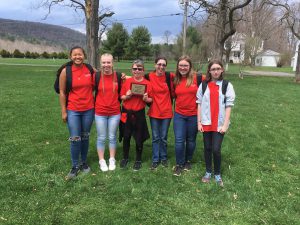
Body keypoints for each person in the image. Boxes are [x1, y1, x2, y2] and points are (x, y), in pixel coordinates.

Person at [196, 60, 235, 187]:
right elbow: (199, 104)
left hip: (219, 123)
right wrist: (199, 122)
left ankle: (217, 173)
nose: (216, 71)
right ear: (209, 71)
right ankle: (208, 171)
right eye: (213, 69)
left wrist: (225, 124)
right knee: (207, 148)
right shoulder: (203, 85)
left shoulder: (226, 85)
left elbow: (229, 106)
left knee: (216, 149)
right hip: (206, 122)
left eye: (218, 68)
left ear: (222, 70)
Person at [59, 46, 95, 179]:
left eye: (80, 55)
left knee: (85, 136)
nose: (77, 57)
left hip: (88, 110)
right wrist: (64, 111)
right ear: (70, 56)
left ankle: (84, 162)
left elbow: (104, 75)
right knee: (75, 138)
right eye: (74, 55)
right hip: (73, 110)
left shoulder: (90, 69)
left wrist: (122, 76)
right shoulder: (65, 71)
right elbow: (62, 92)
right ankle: (75, 166)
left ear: (84, 56)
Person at [119, 59, 153, 171]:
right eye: (134, 69)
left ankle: (138, 159)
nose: (137, 71)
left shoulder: (147, 84)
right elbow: (121, 97)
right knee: (126, 136)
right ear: (131, 70)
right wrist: (127, 97)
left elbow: (151, 99)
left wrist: (146, 98)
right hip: (127, 112)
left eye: (139, 69)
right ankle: (125, 157)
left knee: (139, 137)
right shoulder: (127, 82)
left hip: (139, 113)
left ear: (143, 70)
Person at [172, 56, 200, 176]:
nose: (183, 68)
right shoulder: (175, 79)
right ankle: (179, 163)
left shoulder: (198, 78)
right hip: (179, 115)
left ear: (190, 67)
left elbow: (213, 80)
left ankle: (188, 161)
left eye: (185, 66)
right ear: (178, 67)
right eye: (181, 65)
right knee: (179, 140)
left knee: (191, 140)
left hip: (194, 115)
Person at [145, 57, 175, 170]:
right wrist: (124, 76)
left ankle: (163, 158)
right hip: (154, 112)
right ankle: (155, 159)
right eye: (159, 64)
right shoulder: (149, 77)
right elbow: (136, 78)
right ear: (155, 65)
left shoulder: (169, 76)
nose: (161, 67)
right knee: (155, 137)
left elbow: (183, 76)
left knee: (163, 137)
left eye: (163, 65)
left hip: (166, 112)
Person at [95, 53, 122, 172]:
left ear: (113, 63)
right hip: (100, 112)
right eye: (104, 62)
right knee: (101, 137)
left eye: (108, 62)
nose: (106, 65)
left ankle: (112, 159)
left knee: (112, 137)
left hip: (114, 112)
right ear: (101, 63)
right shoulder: (96, 76)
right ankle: (101, 160)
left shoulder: (119, 76)